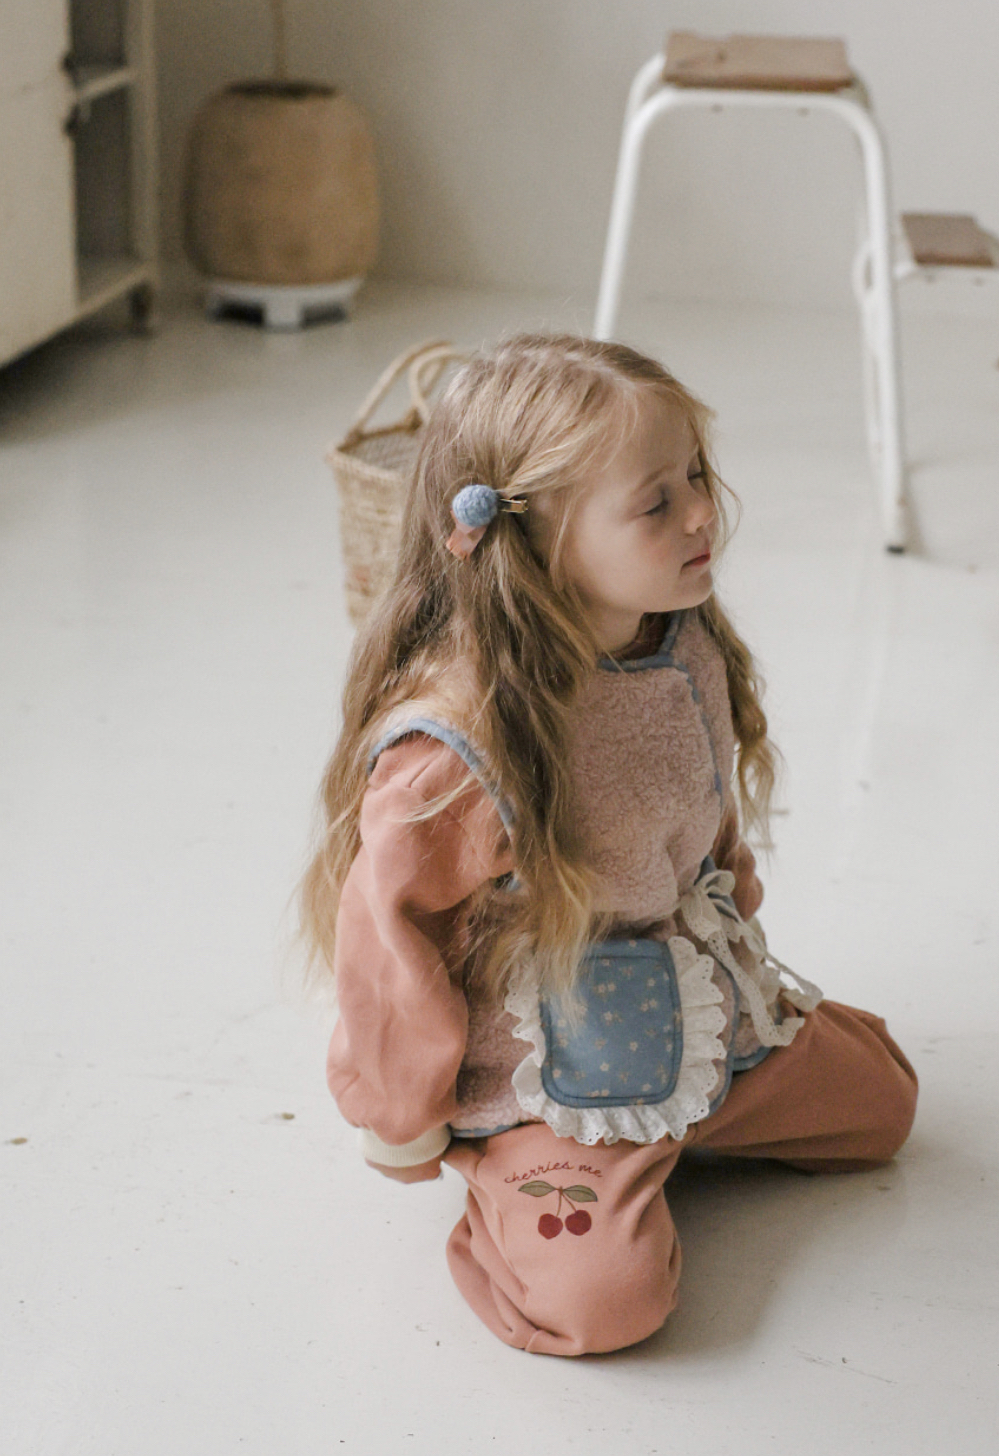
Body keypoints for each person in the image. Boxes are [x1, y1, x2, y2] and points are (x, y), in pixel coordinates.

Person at [301, 333, 917, 1357]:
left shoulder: (676, 633)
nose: (702, 513)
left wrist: (738, 933)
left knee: (883, 1107)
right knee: (602, 1307)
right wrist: (399, 1108)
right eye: (656, 502)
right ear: (538, 539)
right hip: (548, 1057)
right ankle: (531, 1168)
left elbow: (701, 815)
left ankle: (680, 1122)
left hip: (690, 994)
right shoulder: (461, 741)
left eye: (696, 477)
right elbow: (388, 937)